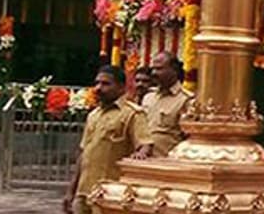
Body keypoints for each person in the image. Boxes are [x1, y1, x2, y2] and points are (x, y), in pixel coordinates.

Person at [64, 65, 153, 214]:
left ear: (121, 87)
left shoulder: (132, 114)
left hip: (111, 195)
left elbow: (145, 144)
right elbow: (84, 154)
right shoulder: (93, 115)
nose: (98, 88)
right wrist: (71, 191)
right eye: (97, 83)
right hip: (84, 192)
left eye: (106, 84)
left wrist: (142, 154)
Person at [141, 52, 193, 157]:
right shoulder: (148, 97)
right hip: (142, 161)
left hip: (167, 163)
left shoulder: (186, 100)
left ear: (174, 70)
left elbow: (189, 138)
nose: (154, 73)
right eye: (153, 69)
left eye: (159, 69)